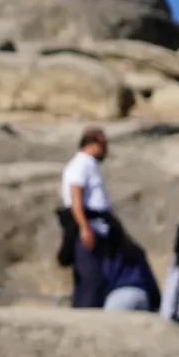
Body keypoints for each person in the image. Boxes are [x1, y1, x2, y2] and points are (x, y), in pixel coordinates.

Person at [56, 127, 120, 309]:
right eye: (103, 145)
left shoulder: (90, 165)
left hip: (99, 227)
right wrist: (85, 228)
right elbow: (76, 199)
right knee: (90, 280)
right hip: (87, 228)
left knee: (98, 279)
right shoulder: (80, 165)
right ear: (92, 143)